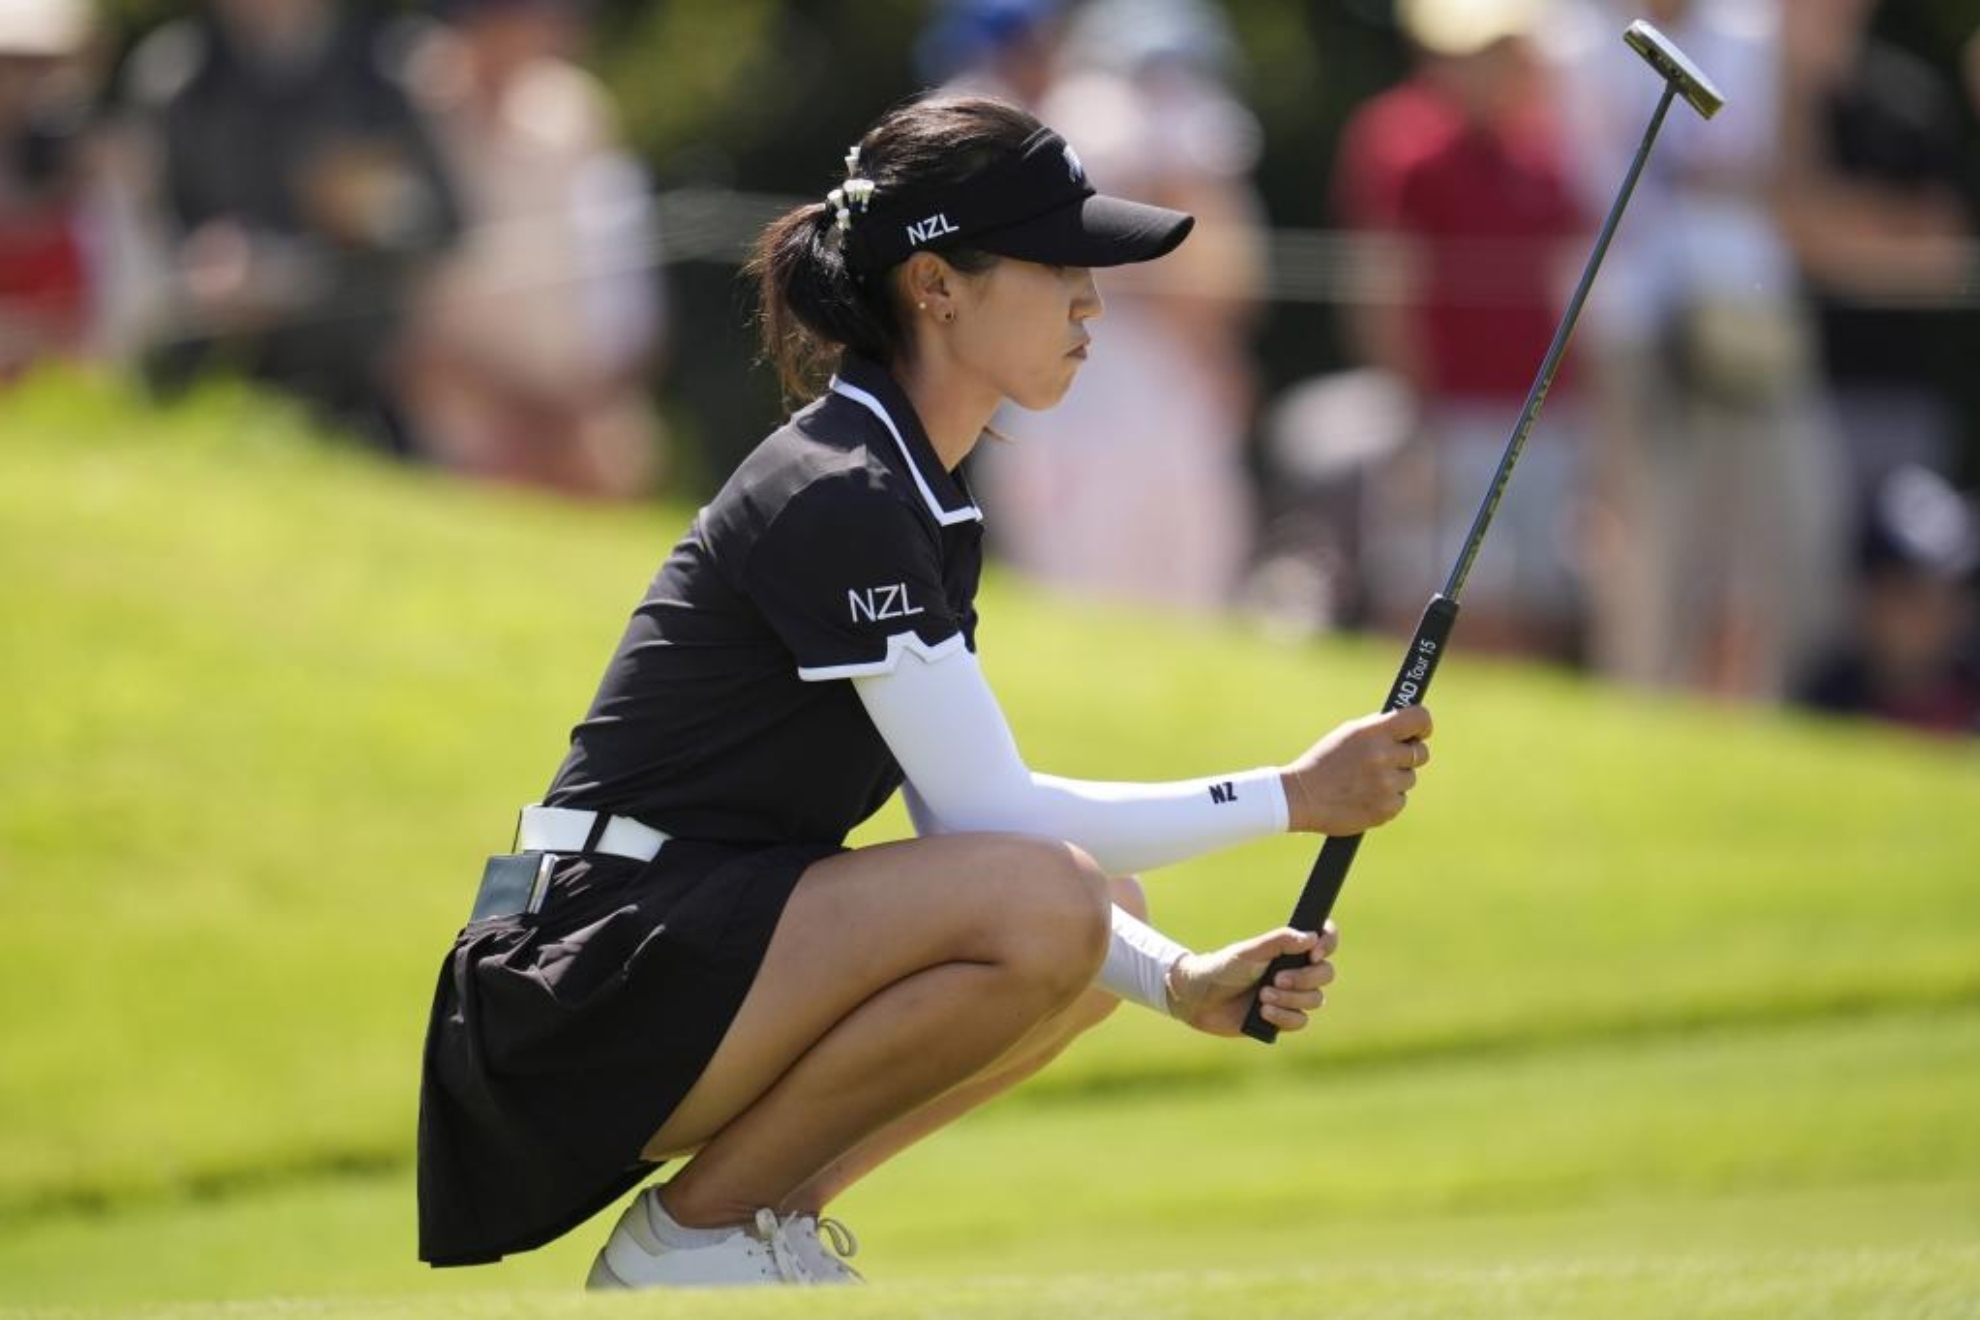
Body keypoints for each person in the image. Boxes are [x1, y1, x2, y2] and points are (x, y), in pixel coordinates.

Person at [416, 95, 1435, 1289]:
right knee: (1051, 897)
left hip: (663, 957)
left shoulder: (912, 488)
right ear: (937, 286)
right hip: (572, 990)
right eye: (1058, 268)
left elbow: (959, 831)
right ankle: (691, 1239)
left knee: (1099, 905)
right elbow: (994, 823)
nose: (1090, 301)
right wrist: (1293, 796)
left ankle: (752, 1230)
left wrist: (1180, 983)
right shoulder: (840, 489)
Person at [1334, 0, 1589, 660]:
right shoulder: (1402, 140)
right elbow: (1385, 291)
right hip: (1443, 413)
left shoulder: (1544, 148)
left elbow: (1572, 289)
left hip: (1541, 416)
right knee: (1427, 592)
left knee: (1533, 601)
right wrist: (1414, 409)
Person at [124, 0, 459, 453]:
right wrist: (202, 264)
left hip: (352, 374)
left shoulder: (385, 67)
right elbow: (143, 230)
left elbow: (445, 223)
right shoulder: (176, 74)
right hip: (210, 357)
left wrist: (376, 209)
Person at [398, 0, 667, 500]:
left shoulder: (575, 110)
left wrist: (582, 396)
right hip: (446, 397)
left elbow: (618, 269)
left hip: (573, 402)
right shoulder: (408, 101)